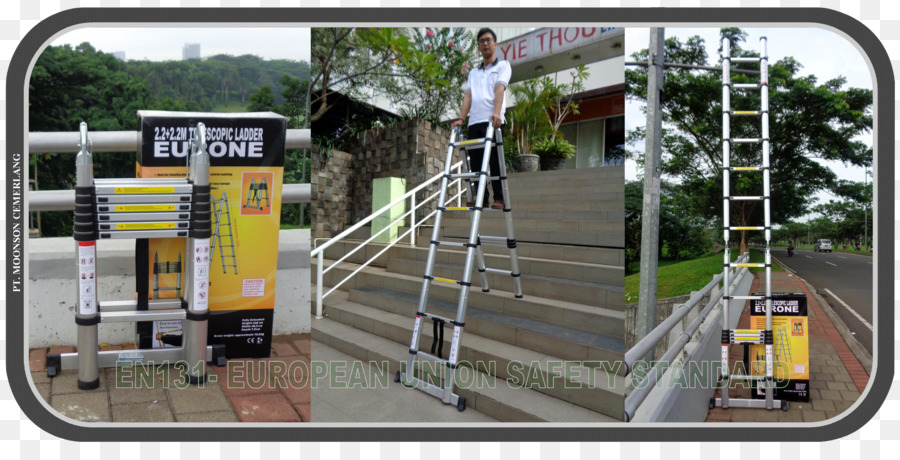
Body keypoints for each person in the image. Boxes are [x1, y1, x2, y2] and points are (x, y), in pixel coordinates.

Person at [451, 27, 511, 210]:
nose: (485, 43)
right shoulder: (473, 73)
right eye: (481, 41)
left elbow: (499, 89)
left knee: (494, 161)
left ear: (495, 43)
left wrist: (497, 112)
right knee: (476, 163)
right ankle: (482, 198)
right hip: (474, 121)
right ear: (478, 47)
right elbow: (468, 96)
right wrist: (461, 119)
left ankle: (499, 197)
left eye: (488, 40)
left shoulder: (503, 66)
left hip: (492, 121)